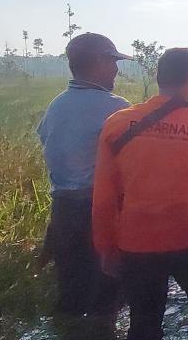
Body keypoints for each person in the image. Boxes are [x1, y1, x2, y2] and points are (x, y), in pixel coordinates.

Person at [93, 48, 188, 340]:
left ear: (159, 78)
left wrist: (106, 248)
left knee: (142, 328)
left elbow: (104, 199)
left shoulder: (118, 123)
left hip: (136, 245)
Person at [37, 33, 132, 316]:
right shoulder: (117, 108)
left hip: (63, 212)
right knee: (108, 295)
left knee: (71, 295)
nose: (116, 69)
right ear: (99, 62)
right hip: (100, 211)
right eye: (113, 61)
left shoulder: (57, 105)